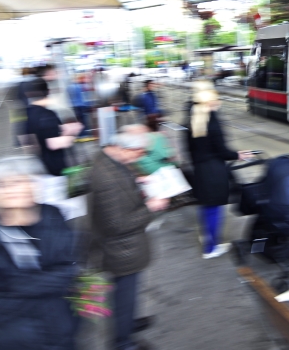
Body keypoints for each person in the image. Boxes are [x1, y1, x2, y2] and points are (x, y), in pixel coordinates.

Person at [0, 156, 79, 350]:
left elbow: (71, 270)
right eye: (0, 185)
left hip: (64, 332)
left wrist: (16, 286)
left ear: (35, 185)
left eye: (19, 181)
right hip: (19, 341)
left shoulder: (54, 216)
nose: (11, 189)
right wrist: (49, 284)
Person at [90, 131, 169, 350]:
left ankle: (128, 324)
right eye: (138, 153)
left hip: (125, 248)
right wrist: (151, 208)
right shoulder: (105, 179)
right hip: (121, 251)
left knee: (129, 294)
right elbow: (116, 225)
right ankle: (122, 343)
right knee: (124, 297)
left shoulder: (109, 159)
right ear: (124, 149)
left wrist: (137, 180)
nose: (140, 157)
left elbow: (122, 184)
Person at [185, 82, 254, 259]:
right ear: (211, 100)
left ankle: (206, 239)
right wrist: (238, 155)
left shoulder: (191, 118)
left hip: (200, 170)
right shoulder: (213, 121)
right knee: (215, 209)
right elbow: (221, 150)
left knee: (206, 207)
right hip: (214, 171)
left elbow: (189, 149)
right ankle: (210, 247)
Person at [26, 77, 83, 176]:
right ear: (48, 92)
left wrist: (62, 129)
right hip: (54, 168)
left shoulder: (27, 114)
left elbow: (29, 143)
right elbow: (53, 144)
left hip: (37, 167)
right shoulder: (47, 115)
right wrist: (72, 132)